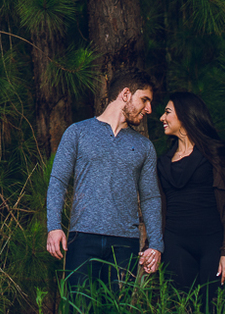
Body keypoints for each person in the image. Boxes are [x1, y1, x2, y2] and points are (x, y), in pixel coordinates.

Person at [46, 69, 164, 304]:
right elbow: (58, 181)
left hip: (124, 244)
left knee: (115, 309)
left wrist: (156, 244)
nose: (149, 109)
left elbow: (150, 198)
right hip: (82, 239)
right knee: (79, 307)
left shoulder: (144, 147)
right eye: (145, 100)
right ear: (126, 94)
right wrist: (53, 226)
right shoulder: (78, 133)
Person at [157, 92, 225, 311]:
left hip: (213, 243)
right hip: (175, 243)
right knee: (180, 306)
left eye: (167, 112)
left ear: (185, 116)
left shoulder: (216, 155)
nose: (161, 118)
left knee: (213, 307)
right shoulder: (162, 162)